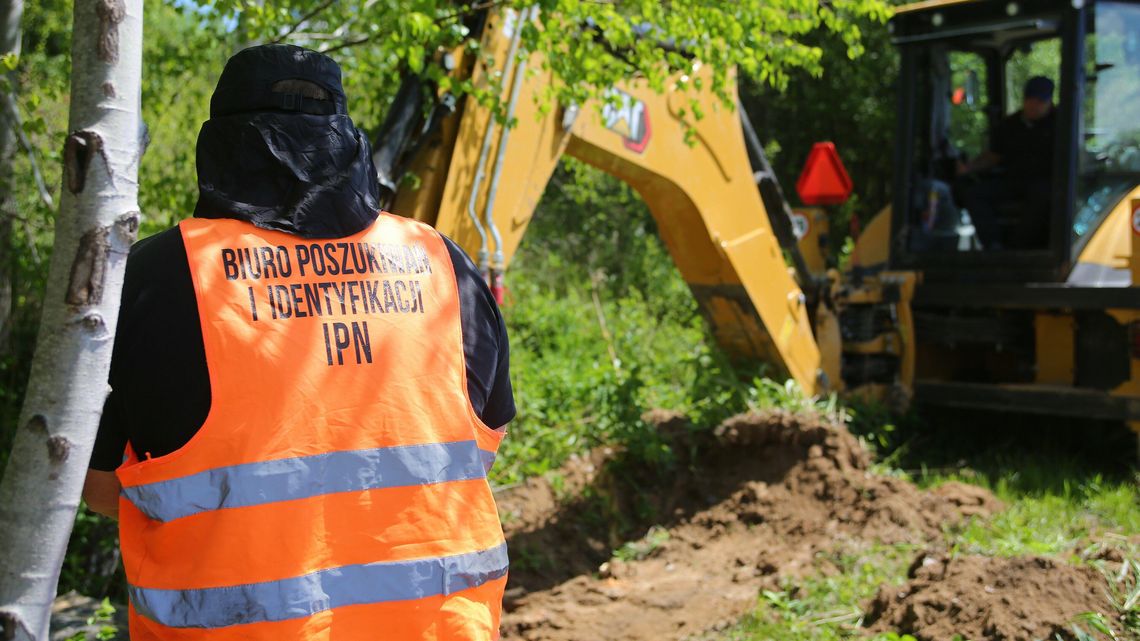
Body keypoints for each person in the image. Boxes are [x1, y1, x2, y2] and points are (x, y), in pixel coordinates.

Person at [82, 44, 514, 640]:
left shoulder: (162, 274)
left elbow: (101, 486)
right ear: (346, 137)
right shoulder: (445, 266)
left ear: (220, 143)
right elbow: (481, 444)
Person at [959, 75, 1056, 249]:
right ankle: (994, 246)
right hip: (1014, 181)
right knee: (974, 193)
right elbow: (993, 156)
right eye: (1031, 100)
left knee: (1042, 195)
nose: (1034, 105)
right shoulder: (1009, 125)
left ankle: (1019, 248)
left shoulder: (1061, 124)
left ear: (1049, 102)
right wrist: (969, 168)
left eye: (1040, 101)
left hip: (1046, 183)